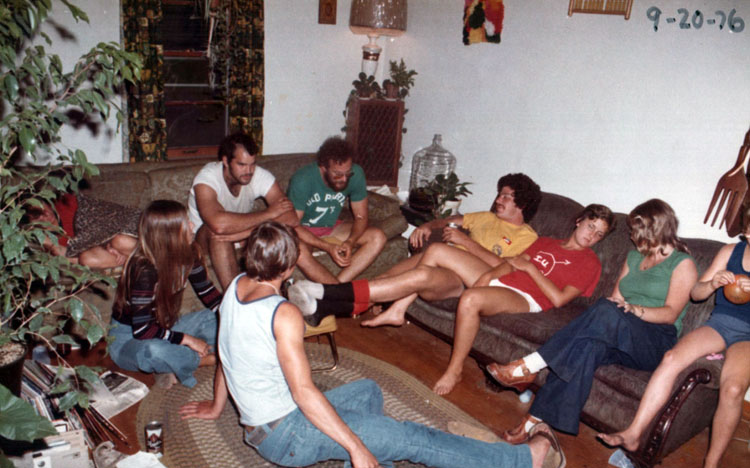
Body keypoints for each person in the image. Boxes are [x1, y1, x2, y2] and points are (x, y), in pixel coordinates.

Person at [179, 221, 566, 468]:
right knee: (415, 439)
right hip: (287, 435)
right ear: (290, 266)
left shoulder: (235, 287)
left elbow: (227, 353)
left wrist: (217, 406)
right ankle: (522, 463)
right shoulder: (283, 314)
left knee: (367, 391)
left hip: (261, 428)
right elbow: (304, 393)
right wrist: (356, 446)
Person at [486, 199, 698, 445]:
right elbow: (616, 298)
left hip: (654, 340)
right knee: (585, 347)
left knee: (606, 310)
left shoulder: (682, 263)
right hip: (620, 329)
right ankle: (534, 422)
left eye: (636, 230)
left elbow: (670, 314)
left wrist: (634, 310)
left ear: (655, 228)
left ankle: (529, 365)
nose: (632, 236)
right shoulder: (633, 257)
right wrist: (622, 309)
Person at [599, 204, 750, 468]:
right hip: (720, 324)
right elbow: (696, 293)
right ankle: (633, 433)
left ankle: (711, 467)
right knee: (671, 358)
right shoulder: (730, 251)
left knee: (733, 389)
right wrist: (712, 283)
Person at [289, 173, 542, 328]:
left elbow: (505, 268)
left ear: (522, 204)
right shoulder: (485, 217)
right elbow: (450, 220)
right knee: (386, 278)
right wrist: (429, 225)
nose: (498, 200)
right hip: (438, 261)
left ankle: (329, 295)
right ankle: (326, 308)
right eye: (499, 194)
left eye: (506, 196)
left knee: (427, 263)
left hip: (465, 279)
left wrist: (467, 244)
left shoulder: (527, 237)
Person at [431, 204, 614, 395]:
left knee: (470, 299)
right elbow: (513, 263)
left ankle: (454, 370)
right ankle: (406, 305)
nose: (592, 235)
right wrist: (488, 276)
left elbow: (559, 299)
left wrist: (530, 268)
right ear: (579, 221)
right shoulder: (545, 242)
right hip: (505, 280)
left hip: (525, 296)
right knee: (438, 250)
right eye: (590, 226)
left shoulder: (590, 263)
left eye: (599, 234)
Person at [187, 132, 335, 289]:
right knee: (216, 233)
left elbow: (291, 218)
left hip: (241, 235)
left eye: (252, 164)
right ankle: (236, 297)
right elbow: (218, 225)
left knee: (291, 239)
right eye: (241, 165)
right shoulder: (207, 177)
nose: (249, 171)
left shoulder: (258, 175)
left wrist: (247, 233)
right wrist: (269, 213)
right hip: (203, 242)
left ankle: (341, 292)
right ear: (225, 161)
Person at [109, 200, 222, 388]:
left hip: (166, 326)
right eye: (186, 223)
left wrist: (236, 315)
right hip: (129, 340)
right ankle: (207, 360)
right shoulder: (144, 270)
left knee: (215, 318)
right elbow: (142, 331)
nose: (192, 225)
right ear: (169, 234)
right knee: (154, 351)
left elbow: (209, 294)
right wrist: (189, 340)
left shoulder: (189, 252)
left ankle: (174, 363)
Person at [287, 136, 386, 282]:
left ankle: (338, 286)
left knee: (378, 237)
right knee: (299, 252)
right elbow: (293, 225)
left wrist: (350, 242)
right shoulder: (302, 179)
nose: (344, 179)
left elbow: (361, 217)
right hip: (304, 231)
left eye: (347, 173)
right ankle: (334, 289)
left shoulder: (356, 174)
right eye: (338, 174)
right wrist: (327, 247)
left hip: (332, 228)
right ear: (323, 167)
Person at [27, 193, 136, 268]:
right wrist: (50, 244)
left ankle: (139, 256)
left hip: (130, 231)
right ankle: (134, 260)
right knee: (87, 259)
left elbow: (104, 221)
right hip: (114, 250)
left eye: (43, 207)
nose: (46, 214)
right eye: (37, 215)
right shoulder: (45, 240)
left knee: (121, 241)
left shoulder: (66, 202)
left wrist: (109, 244)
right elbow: (75, 259)